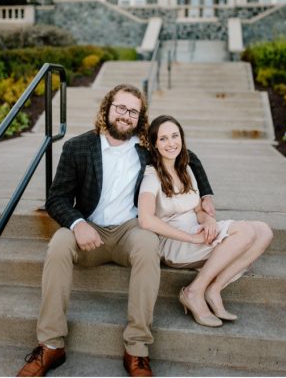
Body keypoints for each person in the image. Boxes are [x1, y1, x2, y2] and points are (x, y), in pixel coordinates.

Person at [16, 84, 216, 378]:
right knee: (59, 243)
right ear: (107, 108)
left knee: (149, 244)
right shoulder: (78, 147)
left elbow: (189, 156)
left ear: (140, 118)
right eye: (120, 108)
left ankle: (137, 349)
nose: (125, 115)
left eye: (133, 111)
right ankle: (50, 345)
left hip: (129, 231)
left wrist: (206, 195)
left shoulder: (146, 150)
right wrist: (78, 223)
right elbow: (56, 199)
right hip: (89, 230)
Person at [139, 115, 272, 326]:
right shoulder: (151, 175)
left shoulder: (186, 169)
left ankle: (214, 288)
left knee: (264, 231)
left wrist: (208, 220)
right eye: (163, 139)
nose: (171, 143)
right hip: (175, 243)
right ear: (154, 144)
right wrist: (190, 238)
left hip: (196, 229)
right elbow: (145, 219)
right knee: (246, 233)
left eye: (175, 136)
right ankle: (194, 291)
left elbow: (197, 209)